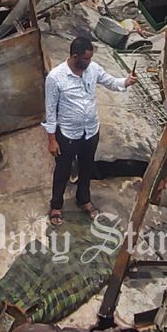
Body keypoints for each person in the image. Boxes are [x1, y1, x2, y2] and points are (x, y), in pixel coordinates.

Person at [42, 35, 136, 225]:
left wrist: (125, 82)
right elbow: (50, 110)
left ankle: (83, 199)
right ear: (75, 56)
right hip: (68, 134)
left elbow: (109, 81)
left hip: (90, 131)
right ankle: (56, 206)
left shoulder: (92, 69)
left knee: (87, 168)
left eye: (90, 58)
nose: (89, 61)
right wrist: (52, 139)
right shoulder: (55, 78)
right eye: (86, 58)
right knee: (62, 171)